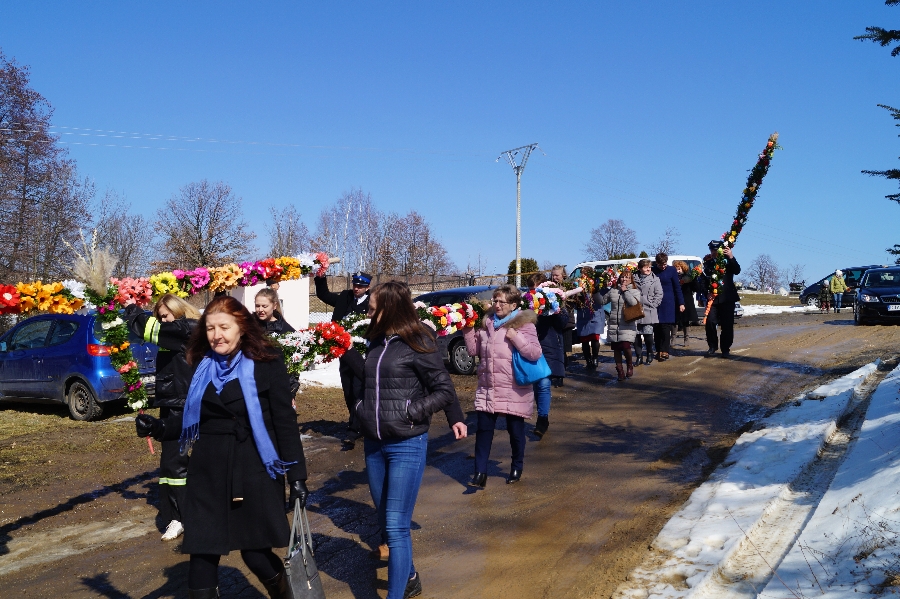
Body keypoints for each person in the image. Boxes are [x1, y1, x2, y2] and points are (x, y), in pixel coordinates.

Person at [135, 296, 308, 599]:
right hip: (208, 471)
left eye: (224, 327)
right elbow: (194, 416)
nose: (217, 335)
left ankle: (285, 594)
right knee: (201, 553)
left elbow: (284, 422)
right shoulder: (202, 365)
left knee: (255, 554)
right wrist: (160, 427)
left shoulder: (267, 363)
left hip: (254, 469)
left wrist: (297, 477)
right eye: (210, 328)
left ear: (241, 327)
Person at [356, 281, 467, 599]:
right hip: (374, 444)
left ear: (390, 308)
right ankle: (410, 576)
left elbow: (443, 389)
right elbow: (365, 383)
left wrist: (411, 411)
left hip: (406, 443)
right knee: (384, 517)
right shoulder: (375, 341)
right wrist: (361, 409)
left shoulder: (418, 340)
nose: (368, 313)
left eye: (373, 308)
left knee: (395, 525)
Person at [124, 294, 200, 542]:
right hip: (173, 401)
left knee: (176, 462)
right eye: (159, 317)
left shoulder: (185, 329)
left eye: (165, 316)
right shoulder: (180, 330)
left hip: (183, 403)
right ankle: (178, 516)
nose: (162, 322)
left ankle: (183, 517)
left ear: (179, 312)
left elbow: (144, 326)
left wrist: (129, 307)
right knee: (170, 465)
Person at [464, 284, 542, 487]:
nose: (497, 305)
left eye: (502, 302)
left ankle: (517, 465)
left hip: (513, 388)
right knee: (483, 431)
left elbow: (534, 353)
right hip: (488, 387)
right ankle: (480, 473)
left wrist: (516, 337)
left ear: (514, 305)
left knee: (515, 432)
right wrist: (468, 328)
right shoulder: (486, 322)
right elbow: (473, 351)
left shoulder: (524, 325)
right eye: (495, 301)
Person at [314, 271, 372, 445]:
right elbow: (323, 294)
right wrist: (320, 275)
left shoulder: (373, 302)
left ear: (367, 287)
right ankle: (359, 422)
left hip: (363, 355)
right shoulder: (345, 297)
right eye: (355, 285)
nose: (356, 288)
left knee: (358, 390)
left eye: (360, 286)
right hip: (344, 353)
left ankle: (354, 430)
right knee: (348, 391)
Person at [528, 273, 569, 438]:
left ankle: (542, 419)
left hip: (549, 346)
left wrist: (555, 308)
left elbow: (563, 322)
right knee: (536, 385)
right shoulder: (527, 303)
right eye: (532, 289)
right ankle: (542, 413)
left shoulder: (554, 299)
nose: (534, 292)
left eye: (537, 289)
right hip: (531, 348)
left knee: (544, 383)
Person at [597, 271, 641, 381]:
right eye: (622, 277)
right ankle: (620, 371)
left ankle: (629, 365)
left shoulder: (635, 291)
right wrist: (595, 291)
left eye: (627, 277)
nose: (624, 279)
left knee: (626, 346)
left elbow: (633, 303)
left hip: (627, 324)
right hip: (614, 324)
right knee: (616, 349)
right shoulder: (613, 290)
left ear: (631, 280)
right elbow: (602, 301)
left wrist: (625, 291)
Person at [702, 242, 742, 358]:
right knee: (710, 322)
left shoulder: (727, 261)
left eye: (715, 250)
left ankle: (725, 349)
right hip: (713, 299)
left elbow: (737, 270)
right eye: (712, 250)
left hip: (727, 297)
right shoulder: (708, 263)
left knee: (727, 325)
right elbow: (703, 280)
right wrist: (706, 293)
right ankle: (712, 346)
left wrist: (731, 256)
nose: (713, 252)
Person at [651, 252, 685, 361]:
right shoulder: (652, 270)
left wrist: (681, 303)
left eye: (665, 264)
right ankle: (658, 350)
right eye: (660, 264)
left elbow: (677, 287)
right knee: (657, 328)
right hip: (655, 302)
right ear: (656, 263)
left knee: (666, 327)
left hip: (668, 302)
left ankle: (665, 350)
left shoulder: (671, 270)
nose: (663, 266)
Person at [632, 260, 662, 367]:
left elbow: (659, 294)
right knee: (636, 335)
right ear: (639, 268)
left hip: (649, 309)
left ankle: (650, 353)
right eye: (646, 267)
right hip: (635, 310)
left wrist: (653, 304)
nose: (648, 269)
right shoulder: (632, 278)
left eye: (649, 267)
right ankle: (639, 356)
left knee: (648, 334)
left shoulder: (655, 279)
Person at [574, 271, 605, 370]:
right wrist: (578, 294)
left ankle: (595, 357)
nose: (583, 276)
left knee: (595, 337)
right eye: (582, 274)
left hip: (595, 315)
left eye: (585, 274)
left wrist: (595, 290)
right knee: (584, 339)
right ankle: (588, 360)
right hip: (583, 316)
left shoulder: (598, 284)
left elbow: (601, 300)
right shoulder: (578, 285)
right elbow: (576, 303)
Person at [673, 260, 700, 345]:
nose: (678, 271)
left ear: (683, 268)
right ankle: (673, 338)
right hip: (675, 300)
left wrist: (694, 279)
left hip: (687, 300)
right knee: (675, 320)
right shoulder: (673, 278)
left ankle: (686, 338)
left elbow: (696, 288)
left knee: (686, 320)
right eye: (676, 269)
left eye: (679, 269)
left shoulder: (688, 277)